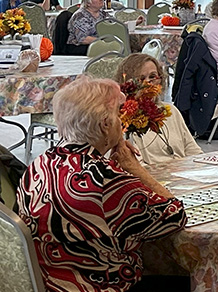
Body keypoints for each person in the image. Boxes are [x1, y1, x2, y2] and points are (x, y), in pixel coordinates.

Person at [17, 77, 188, 292]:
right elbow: (175, 216)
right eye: (118, 114)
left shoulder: (41, 163)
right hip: (100, 284)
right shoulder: (106, 179)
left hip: (51, 281)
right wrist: (134, 168)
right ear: (106, 124)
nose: (121, 122)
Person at [116, 53, 205, 164]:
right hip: (153, 177)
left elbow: (193, 149)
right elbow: (137, 166)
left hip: (184, 173)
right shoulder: (124, 118)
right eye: (141, 78)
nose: (148, 82)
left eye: (153, 76)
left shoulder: (171, 111)